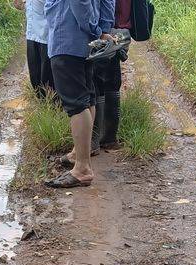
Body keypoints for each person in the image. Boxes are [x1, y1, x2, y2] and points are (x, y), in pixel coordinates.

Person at [43, 0, 115, 188]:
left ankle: (82, 168)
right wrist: (103, 30)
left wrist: (96, 30)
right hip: (85, 43)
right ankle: (79, 154)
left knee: (76, 104)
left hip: (67, 38)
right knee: (87, 97)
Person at [92, 0, 131, 151]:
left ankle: (98, 140)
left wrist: (103, 31)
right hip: (119, 28)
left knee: (98, 82)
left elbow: (108, 5)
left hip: (108, 30)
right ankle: (107, 137)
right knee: (110, 82)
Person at [14, 0, 54, 97]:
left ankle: (52, 104)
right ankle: (41, 101)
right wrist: (20, 4)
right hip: (32, 34)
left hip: (47, 35)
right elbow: (22, 6)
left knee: (47, 74)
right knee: (34, 72)